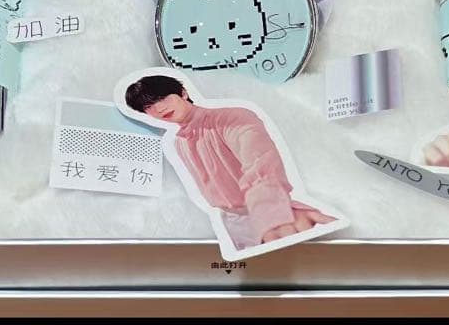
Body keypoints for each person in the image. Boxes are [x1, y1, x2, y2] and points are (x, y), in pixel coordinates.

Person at [125, 74, 337, 251]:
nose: (158, 109)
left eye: (162, 98)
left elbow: (260, 164)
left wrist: (272, 217)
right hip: (230, 224)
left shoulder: (231, 118)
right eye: (148, 106)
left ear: (183, 93)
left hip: (268, 213)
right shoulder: (179, 143)